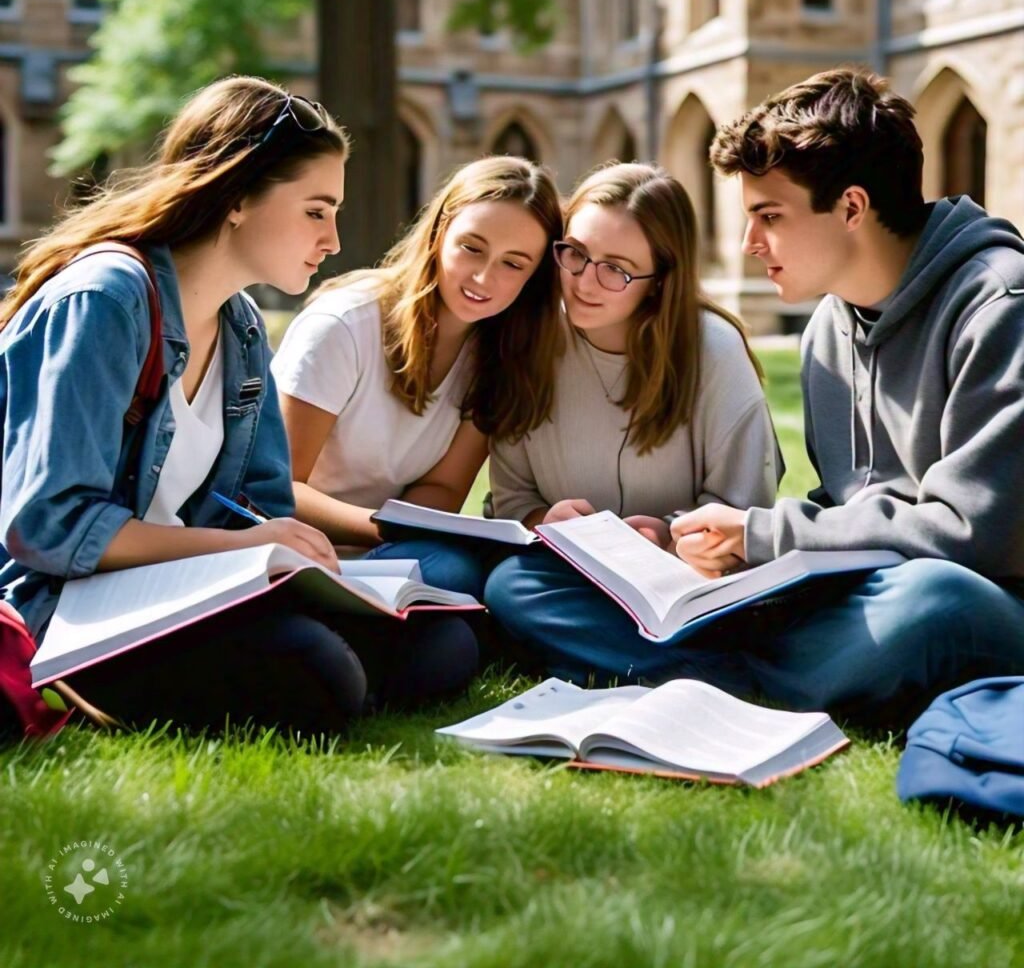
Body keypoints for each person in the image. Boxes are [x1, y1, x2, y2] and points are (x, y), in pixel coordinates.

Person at [0, 75, 474, 735]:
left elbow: (262, 505)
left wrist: (286, 552)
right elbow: (49, 527)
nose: (333, 239)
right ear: (237, 196)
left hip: (191, 594)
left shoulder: (241, 326)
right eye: (316, 210)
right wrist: (241, 547)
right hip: (74, 612)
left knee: (442, 647)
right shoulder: (105, 301)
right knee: (324, 675)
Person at [668, 67, 1024, 725]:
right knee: (535, 586)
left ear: (852, 207)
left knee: (933, 601)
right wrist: (720, 555)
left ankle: (697, 668)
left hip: (983, 597)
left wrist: (762, 535)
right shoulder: (826, 330)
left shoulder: (1000, 306)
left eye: (768, 217)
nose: (750, 246)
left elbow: (972, 535)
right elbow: (843, 508)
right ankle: (713, 649)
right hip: (869, 590)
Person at [483, 162, 782, 684]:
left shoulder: (713, 351)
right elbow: (510, 503)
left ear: (660, 279)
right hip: (570, 579)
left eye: (615, 269)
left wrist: (669, 538)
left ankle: (618, 658)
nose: (582, 282)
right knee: (510, 585)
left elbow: (746, 511)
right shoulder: (527, 343)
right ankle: (705, 670)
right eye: (574, 253)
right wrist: (545, 521)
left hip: (690, 584)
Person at [270, 155, 563, 599]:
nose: (484, 277)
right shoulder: (343, 325)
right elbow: (277, 487)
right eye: (472, 247)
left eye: (514, 264)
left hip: (389, 552)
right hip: (294, 546)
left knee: (460, 582)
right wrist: (384, 529)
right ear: (440, 232)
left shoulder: (499, 355)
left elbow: (443, 487)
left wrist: (402, 535)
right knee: (451, 584)